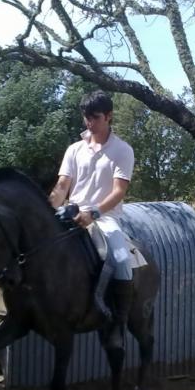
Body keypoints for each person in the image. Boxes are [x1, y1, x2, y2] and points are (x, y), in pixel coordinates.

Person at [49, 90, 134, 350]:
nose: (89, 122)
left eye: (95, 117)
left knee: (121, 261)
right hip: (72, 213)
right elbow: (63, 185)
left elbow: (119, 191)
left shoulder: (122, 150)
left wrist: (94, 213)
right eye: (86, 117)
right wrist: (49, 205)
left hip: (105, 218)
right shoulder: (74, 149)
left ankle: (118, 320)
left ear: (109, 116)